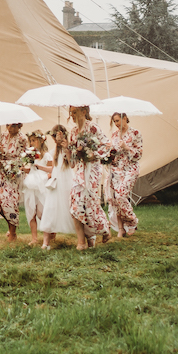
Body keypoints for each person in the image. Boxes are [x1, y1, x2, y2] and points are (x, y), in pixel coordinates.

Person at [68, 105, 111, 250]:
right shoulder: (73, 132)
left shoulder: (93, 127)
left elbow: (106, 145)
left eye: (75, 112)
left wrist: (93, 154)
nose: (72, 115)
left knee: (90, 204)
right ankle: (81, 241)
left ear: (84, 112)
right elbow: (72, 163)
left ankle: (103, 229)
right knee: (75, 204)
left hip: (92, 170)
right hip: (79, 171)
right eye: (71, 113)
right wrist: (65, 149)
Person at [0, 123, 28, 242]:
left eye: (13, 126)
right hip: (3, 174)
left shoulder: (22, 139)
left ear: (19, 126)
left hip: (15, 174)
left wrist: (5, 163)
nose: (10, 128)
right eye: (8, 125)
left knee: (9, 202)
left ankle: (13, 232)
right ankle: (10, 227)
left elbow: (24, 158)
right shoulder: (3, 135)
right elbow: (0, 153)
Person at [105, 113, 143, 237]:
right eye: (114, 121)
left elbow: (139, 155)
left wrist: (126, 147)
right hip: (117, 169)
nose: (116, 124)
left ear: (125, 118)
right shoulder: (115, 135)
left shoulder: (135, 133)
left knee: (121, 195)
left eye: (118, 120)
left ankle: (132, 221)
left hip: (131, 168)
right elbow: (114, 154)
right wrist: (109, 152)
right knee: (116, 200)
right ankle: (121, 228)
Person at [40, 124, 74, 249]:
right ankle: (46, 242)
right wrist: (39, 167)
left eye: (56, 136)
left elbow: (72, 164)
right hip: (56, 181)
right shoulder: (53, 152)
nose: (54, 140)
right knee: (50, 207)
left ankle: (87, 236)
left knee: (71, 206)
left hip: (67, 179)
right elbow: (53, 167)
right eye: (53, 137)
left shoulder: (69, 148)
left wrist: (67, 149)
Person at [22, 131, 51, 241]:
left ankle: (49, 233)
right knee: (31, 212)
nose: (32, 143)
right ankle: (34, 238)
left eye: (34, 140)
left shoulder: (46, 155)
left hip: (41, 186)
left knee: (41, 213)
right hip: (31, 185)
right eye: (30, 141)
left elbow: (51, 170)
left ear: (41, 141)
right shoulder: (31, 155)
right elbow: (33, 169)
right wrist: (25, 169)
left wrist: (44, 177)